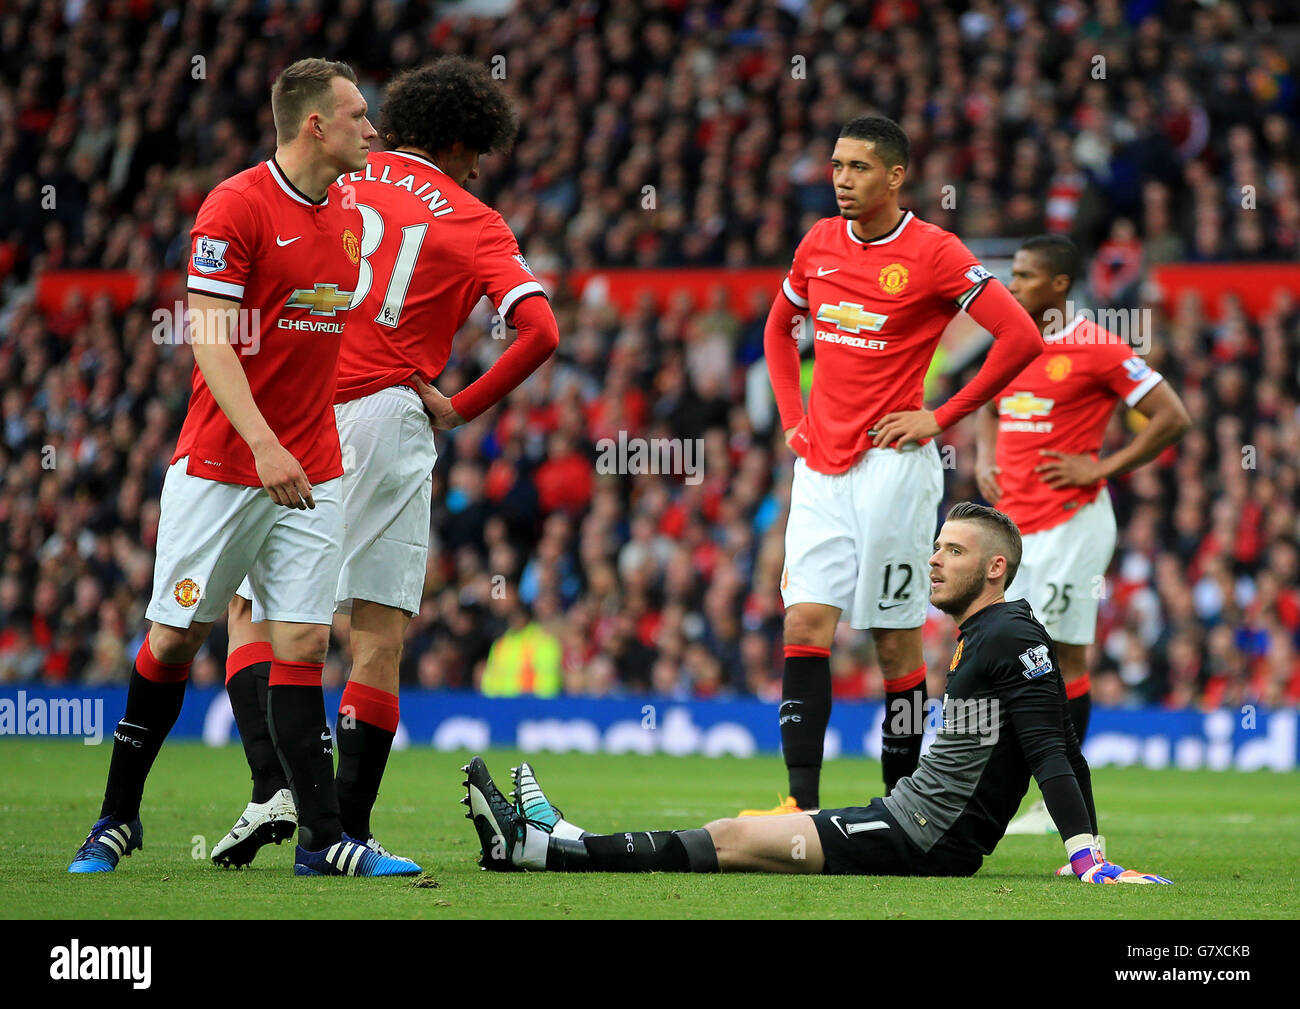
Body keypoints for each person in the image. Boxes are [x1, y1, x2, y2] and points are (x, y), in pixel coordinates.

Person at [210, 57, 558, 870]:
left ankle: (275, 787)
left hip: (299, 405)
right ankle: (351, 832)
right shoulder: (474, 216)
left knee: (254, 611)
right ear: (465, 142)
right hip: (392, 415)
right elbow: (540, 330)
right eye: (482, 154)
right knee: (376, 633)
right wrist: (460, 404)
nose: (481, 170)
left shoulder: (338, 178)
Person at [69, 59, 414, 876]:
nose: (374, 129)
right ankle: (117, 819)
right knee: (174, 637)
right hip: (227, 464)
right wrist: (264, 444)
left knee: (301, 641)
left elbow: (332, 327)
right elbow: (211, 337)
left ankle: (323, 841)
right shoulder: (235, 205)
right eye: (359, 115)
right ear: (315, 126)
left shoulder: (351, 211)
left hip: (315, 467)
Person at [462, 503, 1171, 884]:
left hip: (924, 838)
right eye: (936, 545)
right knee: (740, 836)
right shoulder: (991, 633)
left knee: (738, 838)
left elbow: (1051, 746)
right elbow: (1051, 742)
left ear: (994, 567)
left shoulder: (1008, 635)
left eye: (952, 550)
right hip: (910, 821)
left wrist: (1087, 855)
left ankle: (551, 848)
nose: (933, 558)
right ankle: (554, 842)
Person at [748, 114, 1044, 814]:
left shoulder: (935, 252)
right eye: (835, 166)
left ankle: (902, 804)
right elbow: (777, 329)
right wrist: (793, 414)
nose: (842, 180)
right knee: (803, 625)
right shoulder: (817, 243)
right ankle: (800, 806)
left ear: (895, 176)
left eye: (856, 167)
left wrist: (942, 415)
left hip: (895, 468)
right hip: (820, 464)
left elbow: (1020, 335)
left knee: (892, 645)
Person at [975, 235, 1190, 836]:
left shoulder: (1097, 347)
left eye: (1024, 275)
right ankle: (1025, 787)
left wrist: (1101, 467)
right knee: (1010, 655)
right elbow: (988, 406)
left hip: (1072, 525)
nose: (1012, 284)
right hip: (1013, 526)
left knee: (1059, 655)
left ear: (1059, 285)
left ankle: (1055, 798)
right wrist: (986, 457)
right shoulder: (1010, 342)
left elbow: (1174, 417)